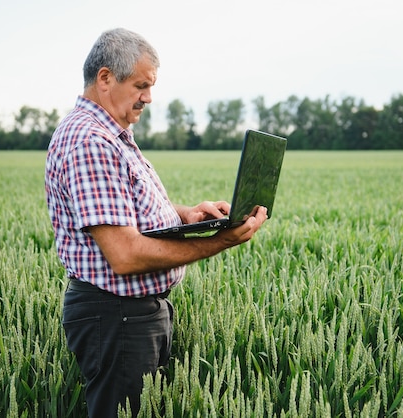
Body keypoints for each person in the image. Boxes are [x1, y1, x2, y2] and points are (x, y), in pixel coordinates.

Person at [44, 28, 267, 417]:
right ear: (106, 78)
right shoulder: (91, 142)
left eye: (151, 86)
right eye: (141, 85)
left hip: (130, 313)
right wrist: (222, 241)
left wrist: (187, 215)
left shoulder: (111, 134)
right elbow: (125, 255)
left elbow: (125, 208)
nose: (149, 97)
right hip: (116, 314)